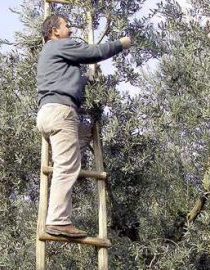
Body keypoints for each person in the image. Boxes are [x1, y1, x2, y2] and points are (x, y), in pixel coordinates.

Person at [36, 14, 132, 238]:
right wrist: (121, 44)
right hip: (61, 111)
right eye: (66, 25)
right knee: (66, 167)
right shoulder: (59, 45)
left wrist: (87, 78)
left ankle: (58, 216)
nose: (69, 29)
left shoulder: (50, 54)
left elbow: (73, 75)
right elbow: (94, 53)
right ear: (54, 31)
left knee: (79, 143)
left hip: (48, 113)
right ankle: (58, 221)